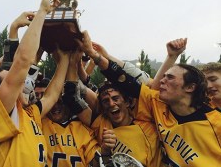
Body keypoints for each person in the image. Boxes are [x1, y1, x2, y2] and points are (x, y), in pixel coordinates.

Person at [77, 30, 221, 166]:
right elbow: (124, 80)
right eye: (163, 77)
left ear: (190, 87)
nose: (162, 81)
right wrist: (94, 55)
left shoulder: (216, 122)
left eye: (170, 78)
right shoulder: (157, 105)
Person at [0, 0, 72, 167]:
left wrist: (64, 58)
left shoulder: (27, 113)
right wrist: (42, 12)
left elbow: (52, 94)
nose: (21, 81)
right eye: (10, 81)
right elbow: (23, 61)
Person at [42, 50, 114, 167]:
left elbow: (95, 163)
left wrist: (105, 152)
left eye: (59, 102)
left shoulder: (83, 128)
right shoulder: (40, 123)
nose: (55, 106)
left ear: (67, 103)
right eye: (52, 102)